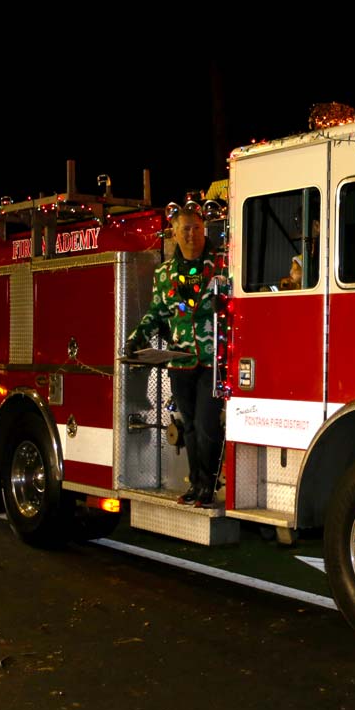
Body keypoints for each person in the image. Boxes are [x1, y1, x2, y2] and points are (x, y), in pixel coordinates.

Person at [125, 206, 225, 507]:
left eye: (196, 228)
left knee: (208, 424)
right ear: (174, 234)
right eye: (186, 229)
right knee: (190, 425)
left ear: (204, 229)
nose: (192, 234)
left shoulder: (222, 265)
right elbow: (156, 313)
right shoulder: (165, 273)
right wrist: (135, 340)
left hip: (211, 360)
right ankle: (196, 484)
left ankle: (209, 483)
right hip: (179, 360)